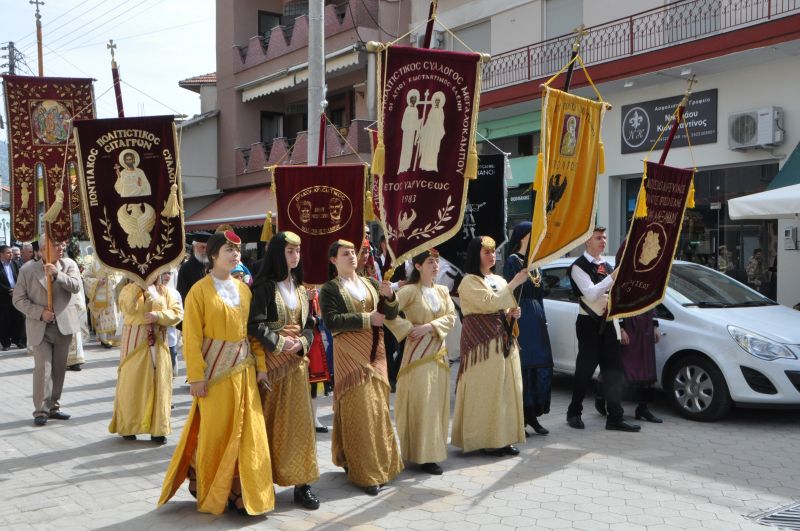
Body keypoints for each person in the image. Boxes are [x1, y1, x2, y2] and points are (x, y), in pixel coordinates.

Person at [159, 230, 274, 516]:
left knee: (249, 433)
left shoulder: (244, 289)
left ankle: (242, 491)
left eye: (237, 250)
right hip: (215, 377)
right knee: (218, 434)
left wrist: (261, 367)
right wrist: (196, 376)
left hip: (244, 372)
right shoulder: (199, 291)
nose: (235, 255)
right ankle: (214, 488)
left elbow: (252, 334)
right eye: (228, 251)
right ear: (213, 255)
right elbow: (192, 336)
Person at [319, 239, 402, 496]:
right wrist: (367, 319)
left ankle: (376, 463)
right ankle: (365, 473)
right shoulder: (330, 289)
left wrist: (389, 297)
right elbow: (331, 321)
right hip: (349, 356)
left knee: (377, 409)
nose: (352, 257)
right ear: (333, 260)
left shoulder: (370, 283)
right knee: (359, 411)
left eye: (353, 252)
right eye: (345, 254)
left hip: (376, 354)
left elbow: (390, 313)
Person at [248, 231, 321, 510]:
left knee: (302, 428)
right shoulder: (264, 286)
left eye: (298, 251)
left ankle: (303, 485)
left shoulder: (302, 289)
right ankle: (264, 483)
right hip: (272, 367)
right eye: (290, 251)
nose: (295, 256)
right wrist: (280, 342)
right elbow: (254, 325)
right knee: (271, 425)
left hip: (297, 367)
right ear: (278, 253)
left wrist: (301, 342)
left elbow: (310, 325)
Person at [451, 236, 529, 456]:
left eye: (494, 251)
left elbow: (503, 305)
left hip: (504, 339)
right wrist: (515, 283)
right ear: (476, 254)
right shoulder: (469, 281)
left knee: (508, 390)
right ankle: (485, 439)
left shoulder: (499, 279)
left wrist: (513, 313)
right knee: (487, 392)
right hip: (482, 343)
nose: (492, 255)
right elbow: (489, 303)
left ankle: (504, 438)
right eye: (486, 251)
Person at [385, 249, 456, 475]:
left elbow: (451, 317)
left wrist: (429, 327)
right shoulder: (410, 291)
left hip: (439, 356)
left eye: (437, 261)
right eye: (430, 262)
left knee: (437, 405)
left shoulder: (443, 290)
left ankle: (434, 452)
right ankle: (419, 453)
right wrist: (408, 329)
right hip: (417, 356)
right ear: (417, 266)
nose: (435, 266)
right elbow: (389, 312)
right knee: (422, 403)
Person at [565, 226, 640, 432]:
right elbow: (590, 294)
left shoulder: (606, 266)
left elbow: (615, 295)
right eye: (598, 237)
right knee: (584, 370)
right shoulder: (577, 267)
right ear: (587, 241)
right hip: (588, 324)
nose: (603, 241)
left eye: (605, 237)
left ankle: (615, 417)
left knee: (614, 372)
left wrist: (621, 325)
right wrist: (613, 277)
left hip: (609, 324)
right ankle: (574, 412)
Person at [13, 235, 81, 426]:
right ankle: (41, 410)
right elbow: (18, 299)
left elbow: (76, 286)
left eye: (61, 244)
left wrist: (58, 275)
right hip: (40, 326)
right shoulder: (27, 270)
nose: (61, 247)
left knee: (59, 370)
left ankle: (54, 407)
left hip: (63, 326)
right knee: (44, 369)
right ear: (43, 250)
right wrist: (39, 313)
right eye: (55, 244)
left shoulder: (69, 265)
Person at [109, 275, 183, 443]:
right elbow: (128, 308)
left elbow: (177, 313)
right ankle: (129, 425)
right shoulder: (128, 289)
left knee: (159, 384)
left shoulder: (165, 291)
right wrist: (139, 286)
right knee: (132, 384)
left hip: (159, 343)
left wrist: (159, 316)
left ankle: (158, 429)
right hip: (135, 344)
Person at [503, 222, 553, 436]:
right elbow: (509, 291)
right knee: (524, 366)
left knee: (539, 365)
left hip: (537, 317)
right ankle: (520, 416)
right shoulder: (513, 261)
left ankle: (533, 414)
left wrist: (544, 317)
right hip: (522, 316)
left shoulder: (536, 263)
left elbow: (540, 293)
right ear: (524, 236)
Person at [83, 252, 122, 348]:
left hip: (113, 293)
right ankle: (104, 339)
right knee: (102, 316)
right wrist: (97, 282)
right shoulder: (94, 263)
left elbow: (121, 274)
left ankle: (115, 338)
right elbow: (86, 277)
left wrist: (115, 280)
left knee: (115, 315)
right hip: (101, 294)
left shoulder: (114, 260)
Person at [0, 244, 26, 350]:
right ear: (1, 254)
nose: (11, 254)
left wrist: (16, 290)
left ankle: (19, 340)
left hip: (16, 296)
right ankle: (5, 343)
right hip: (3, 298)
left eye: (11, 252)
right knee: (4, 321)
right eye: (8, 253)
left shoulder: (15, 264)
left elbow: (20, 279)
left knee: (19, 319)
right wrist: (7, 290)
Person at [176, 233, 211, 303]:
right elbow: (182, 295)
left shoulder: (213, 265)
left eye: (208, 248)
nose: (205, 251)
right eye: (203, 247)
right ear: (194, 247)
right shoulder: (186, 268)